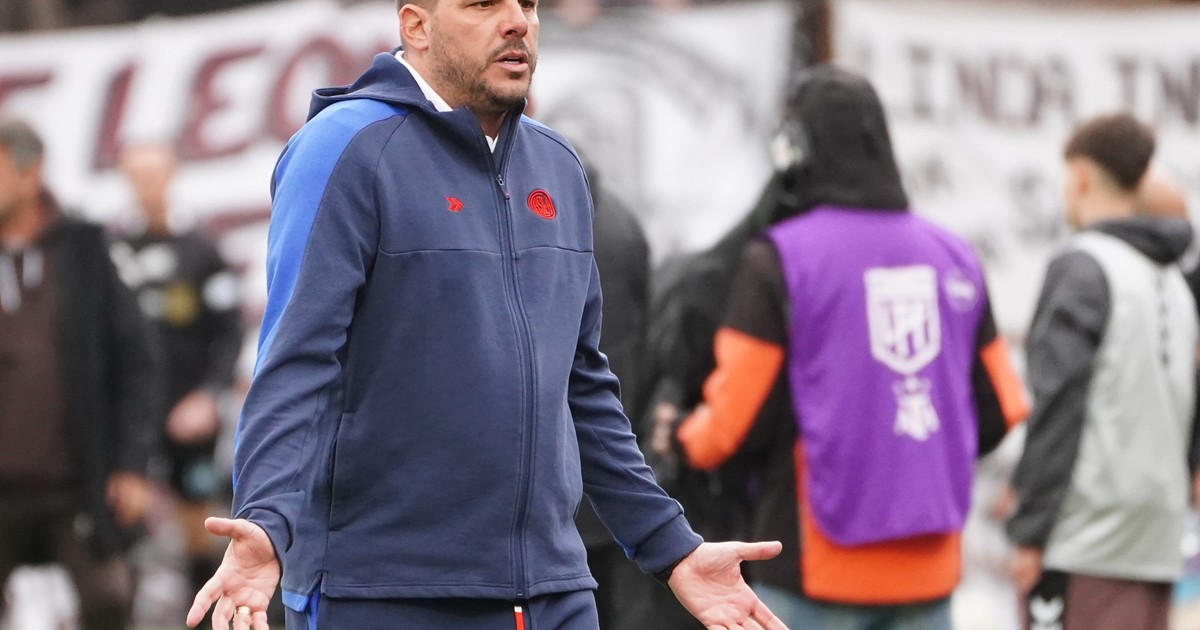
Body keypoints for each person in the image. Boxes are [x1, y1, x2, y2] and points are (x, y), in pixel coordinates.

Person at [185, 1, 787, 628]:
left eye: (528, 3)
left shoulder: (560, 167)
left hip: (555, 593)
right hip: (383, 592)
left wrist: (672, 547)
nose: (517, 21)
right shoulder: (342, 148)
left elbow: (582, 388)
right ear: (416, 25)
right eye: (482, 4)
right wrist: (266, 519)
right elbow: (296, 360)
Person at [670, 65, 1028, 630]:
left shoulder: (778, 260)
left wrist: (677, 437)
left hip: (815, 574)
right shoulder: (954, 256)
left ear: (793, 151)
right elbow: (1003, 407)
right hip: (931, 571)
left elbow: (729, 426)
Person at [1007, 114, 1199, 630]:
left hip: (1082, 545)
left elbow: (1058, 404)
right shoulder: (1173, 281)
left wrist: (1030, 530)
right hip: (1156, 542)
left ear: (1082, 177)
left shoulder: (1084, 265)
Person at [0, 117, 161, 629]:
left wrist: (131, 464)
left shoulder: (87, 248)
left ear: (30, 173)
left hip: (76, 479)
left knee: (108, 598)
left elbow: (138, 361)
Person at [109, 142, 243, 617]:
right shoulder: (114, 250)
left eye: (154, 174)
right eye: (137, 176)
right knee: (123, 514)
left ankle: (203, 614)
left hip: (187, 410)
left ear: (172, 176)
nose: (146, 185)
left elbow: (229, 332)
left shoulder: (201, 248)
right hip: (131, 415)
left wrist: (207, 396)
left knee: (198, 517)